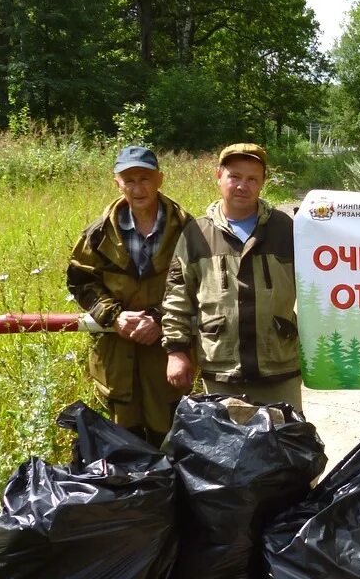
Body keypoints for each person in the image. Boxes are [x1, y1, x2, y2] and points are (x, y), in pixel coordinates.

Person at [161, 143, 303, 410]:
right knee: (227, 449)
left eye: (252, 179)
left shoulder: (286, 230)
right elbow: (177, 298)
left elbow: (319, 287)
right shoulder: (196, 234)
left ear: (262, 183)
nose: (242, 186)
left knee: (287, 448)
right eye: (234, 176)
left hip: (279, 369)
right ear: (219, 176)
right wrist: (176, 351)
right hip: (221, 371)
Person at [67, 145, 193, 444]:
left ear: (160, 179)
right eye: (129, 180)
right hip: (116, 358)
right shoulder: (98, 233)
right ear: (117, 183)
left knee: (172, 440)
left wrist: (159, 319)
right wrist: (114, 316)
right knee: (124, 446)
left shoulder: (188, 228)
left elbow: (201, 284)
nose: (138, 188)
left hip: (167, 354)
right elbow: (80, 280)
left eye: (145, 179)